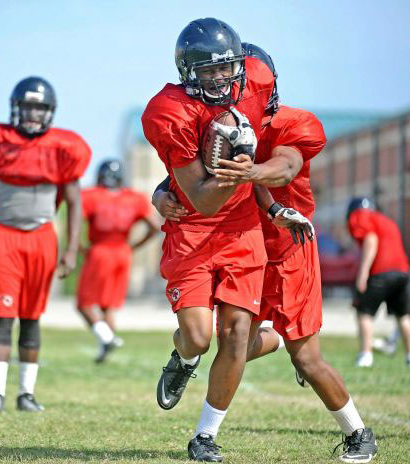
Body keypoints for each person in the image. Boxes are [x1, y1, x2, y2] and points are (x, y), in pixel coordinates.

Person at [153, 42, 378, 464]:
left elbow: (284, 166)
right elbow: (188, 173)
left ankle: (358, 433)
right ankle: (205, 435)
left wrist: (253, 175)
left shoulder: (294, 123)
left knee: (306, 357)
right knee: (227, 337)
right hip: (245, 239)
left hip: (289, 249)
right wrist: (159, 193)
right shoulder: (219, 118)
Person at [141, 18, 280, 461]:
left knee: (237, 336)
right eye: (208, 71)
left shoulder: (258, 79)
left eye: (227, 68)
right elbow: (199, 199)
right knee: (199, 338)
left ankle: (205, 436)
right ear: (188, 72)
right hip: (194, 227)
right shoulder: (169, 111)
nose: (221, 78)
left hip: (242, 229)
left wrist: (255, 172)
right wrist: (236, 164)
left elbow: (283, 155)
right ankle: (183, 360)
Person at [0, 76, 91, 413]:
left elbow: (75, 203)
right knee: (3, 316)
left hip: (42, 237)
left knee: (31, 317)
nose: (33, 114)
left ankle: (26, 393)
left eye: (39, 107)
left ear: (50, 111)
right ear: (16, 108)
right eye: (28, 106)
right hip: (3, 235)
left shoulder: (63, 148)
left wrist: (71, 249)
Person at [77, 159, 159, 362]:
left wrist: (78, 247)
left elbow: (75, 222)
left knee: (84, 303)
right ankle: (105, 347)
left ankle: (107, 338)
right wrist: (133, 247)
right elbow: (155, 227)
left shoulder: (91, 196)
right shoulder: (133, 198)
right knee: (107, 306)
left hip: (100, 251)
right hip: (123, 252)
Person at [347, 196, 410, 368]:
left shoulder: (359, 216)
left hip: (380, 272)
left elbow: (371, 240)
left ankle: (366, 356)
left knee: (364, 314)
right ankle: (409, 355)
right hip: (403, 272)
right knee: (403, 316)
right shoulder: (386, 220)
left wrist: (363, 273)